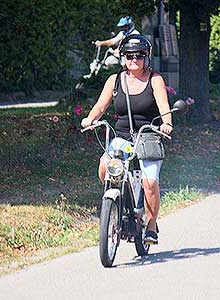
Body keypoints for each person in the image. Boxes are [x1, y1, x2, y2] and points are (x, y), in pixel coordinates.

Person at [81, 34, 172, 244]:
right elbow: (100, 106)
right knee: (105, 166)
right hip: (122, 137)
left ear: (146, 57)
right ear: (122, 57)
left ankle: (150, 225)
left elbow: (164, 106)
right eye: (129, 55)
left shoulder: (155, 79)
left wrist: (167, 123)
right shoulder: (115, 80)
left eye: (139, 56)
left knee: (149, 183)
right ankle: (116, 201)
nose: (134, 60)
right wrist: (90, 118)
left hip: (148, 135)